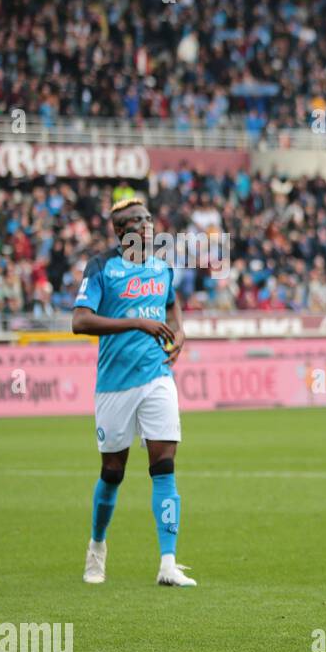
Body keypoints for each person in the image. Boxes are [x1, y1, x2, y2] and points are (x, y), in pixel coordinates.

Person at [72, 198, 194, 588]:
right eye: (136, 221)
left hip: (157, 376)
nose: (146, 225)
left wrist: (180, 331)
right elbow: (80, 321)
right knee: (113, 471)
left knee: (164, 463)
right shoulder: (102, 268)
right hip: (114, 385)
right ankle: (97, 545)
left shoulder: (161, 266)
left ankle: (168, 562)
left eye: (147, 219)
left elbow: (172, 303)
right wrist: (137, 322)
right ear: (120, 230)